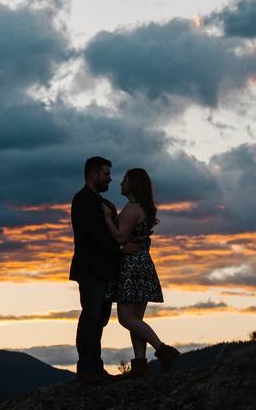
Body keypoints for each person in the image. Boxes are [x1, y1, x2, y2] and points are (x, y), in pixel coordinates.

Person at [101, 167, 180, 377]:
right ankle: (140, 364)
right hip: (143, 263)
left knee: (126, 319)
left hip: (132, 265)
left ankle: (162, 350)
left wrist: (108, 219)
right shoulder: (143, 208)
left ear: (132, 184)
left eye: (125, 179)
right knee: (136, 320)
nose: (120, 183)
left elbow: (119, 238)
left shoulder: (131, 209)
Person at [69, 156, 127, 384]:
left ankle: (96, 366)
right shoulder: (83, 200)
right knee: (91, 317)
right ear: (94, 174)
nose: (110, 179)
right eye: (106, 174)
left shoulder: (99, 202)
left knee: (99, 319)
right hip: (91, 269)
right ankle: (87, 369)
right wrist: (118, 248)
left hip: (103, 270)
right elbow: (91, 235)